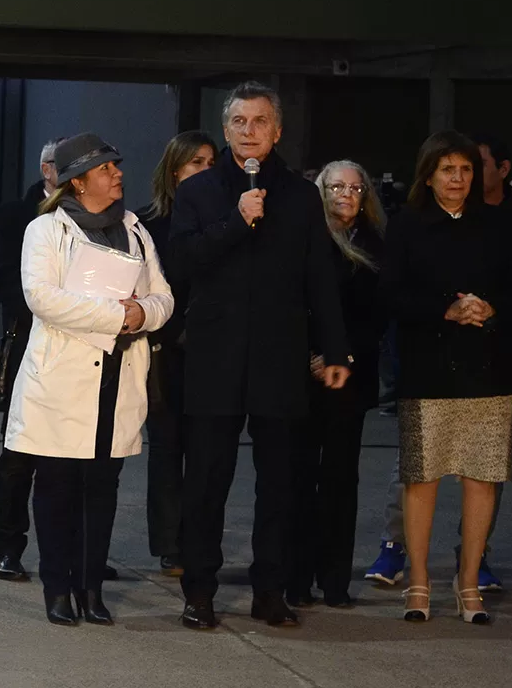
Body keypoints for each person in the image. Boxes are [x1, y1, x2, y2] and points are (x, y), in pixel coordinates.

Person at [168, 82, 350, 630]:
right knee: (207, 480)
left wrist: (334, 347)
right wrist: (236, 220)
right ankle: (199, 591)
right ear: (226, 131)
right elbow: (182, 262)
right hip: (215, 357)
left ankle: (270, 589)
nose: (250, 133)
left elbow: (320, 276)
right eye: (240, 123)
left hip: (279, 357)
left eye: (261, 122)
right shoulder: (199, 191)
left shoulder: (298, 195)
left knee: (281, 481)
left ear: (277, 131)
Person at [5, 133, 173, 625]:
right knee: (57, 487)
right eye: (106, 169)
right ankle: (58, 588)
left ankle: (92, 588)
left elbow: (162, 297)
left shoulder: (136, 229)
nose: (118, 174)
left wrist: (141, 314)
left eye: (117, 167)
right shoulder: (46, 230)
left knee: (103, 488)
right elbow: (42, 298)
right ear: (79, 181)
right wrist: (115, 316)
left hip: (119, 376)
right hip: (63, 378)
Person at [365, 135, 512, 591]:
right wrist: (445, 307)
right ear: (429, 175)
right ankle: (416, 575)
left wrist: (492, 308)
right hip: (429, 367)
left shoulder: (500, 224)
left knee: (482, 476)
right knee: (420, 475)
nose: (458, 178)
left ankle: (472, 568)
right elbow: (391, 293)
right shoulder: (406, 225)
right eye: (447, 169)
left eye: (465, 169)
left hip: (489, 368)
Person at [284, 161, 387, 610]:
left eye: (356, 187)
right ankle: (296, 578)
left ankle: (335, 581)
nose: (347, 193)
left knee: (342, 479)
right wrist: (311, 354)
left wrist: (338, 357)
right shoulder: (302, 238)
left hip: (351, 374)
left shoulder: (378, 246)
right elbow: (288, 303)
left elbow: (377, 317)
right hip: (301, 374)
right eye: (337, 185)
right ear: (320, 190)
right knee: (297, 477)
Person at [134, 130, 217, 576]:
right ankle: (170, 544)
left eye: (210, 163)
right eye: (194, 164)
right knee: (167, 449)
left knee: (206, 450)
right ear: (174, 172)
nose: (204, 171)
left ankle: (198, 538)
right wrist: (176, 328)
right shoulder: (149, 224)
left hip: (212, 349)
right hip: (166, 349)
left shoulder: (225, 220)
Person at [0, 139, 62, 581]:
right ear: (47, 169)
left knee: (79, 461)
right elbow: (0, 276)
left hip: (81, 351)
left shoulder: (97, 220)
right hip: (28, 343)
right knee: (19, 452)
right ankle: (8, 546)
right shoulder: (17, 214)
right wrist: (45, 312)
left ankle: (79, 548)